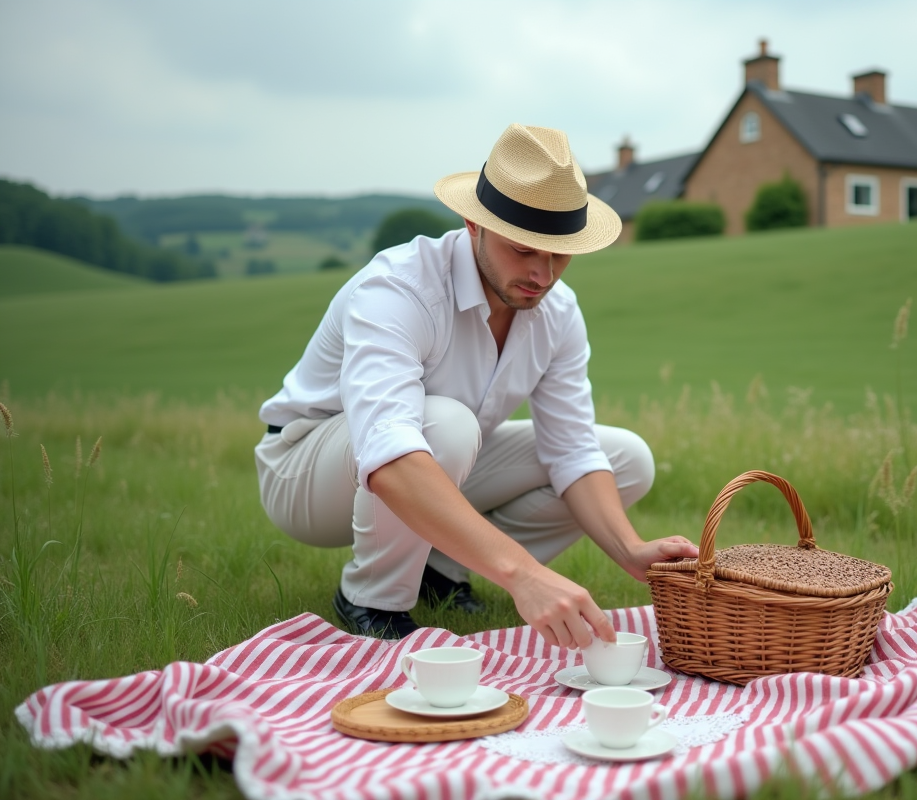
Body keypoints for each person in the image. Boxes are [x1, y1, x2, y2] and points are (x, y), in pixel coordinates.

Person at [255, 123, 698, 649]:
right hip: (307, 469)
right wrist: (521, 574)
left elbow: (572, 448)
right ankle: (372, 600)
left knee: (624, 458)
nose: (543, 274)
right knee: (444, 424)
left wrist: (628, 549)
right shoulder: (398, 288)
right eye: (523, 249)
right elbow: (390, 452)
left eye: (559, 254)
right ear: (473, 223)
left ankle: (440, 571)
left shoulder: (557, 312)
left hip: (442, 454)